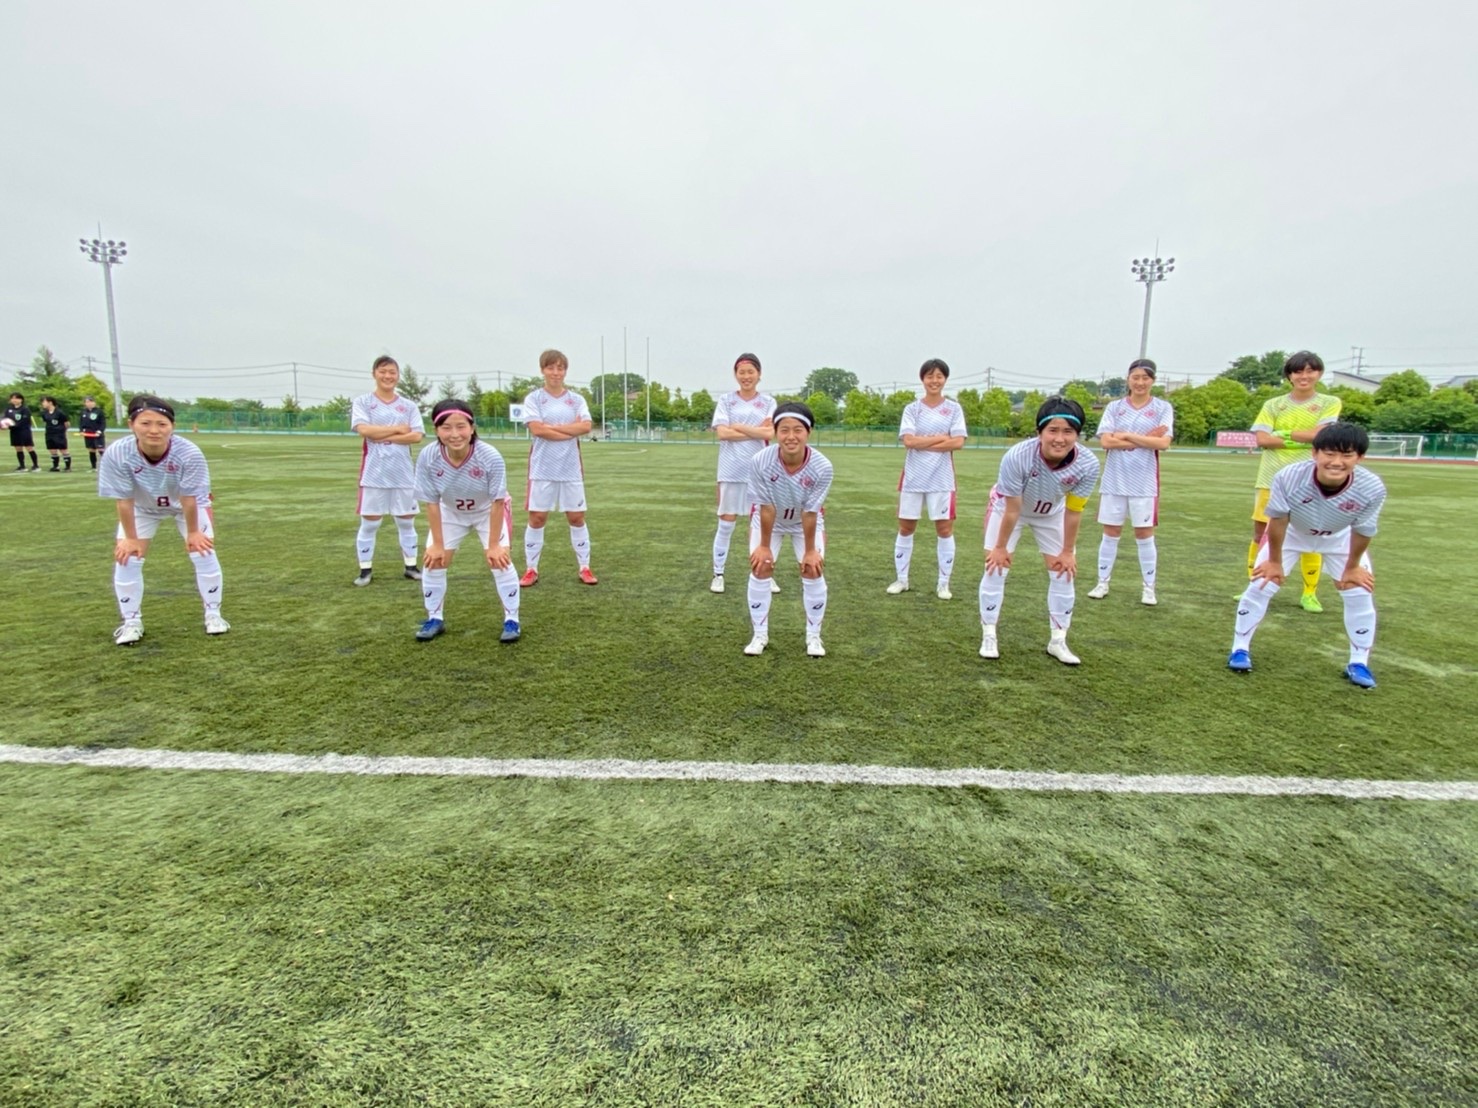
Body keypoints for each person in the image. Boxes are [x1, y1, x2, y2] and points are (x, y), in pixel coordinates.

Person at [1228, 422, 1384, 688]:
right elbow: (1277, 520)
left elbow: (1363, 529)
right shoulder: (1289, 476)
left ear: (1360, 457)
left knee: (1358, 591)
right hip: (1292, 533)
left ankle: (1359, 662)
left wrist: (1353, 567)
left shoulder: (1372, 487)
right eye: (1330, 453)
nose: (1337, 462)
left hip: (1340, 538)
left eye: (1347, 455)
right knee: (1260, 584)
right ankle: (1239, 649)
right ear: (1315, 453)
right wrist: (1275, 562)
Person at [978, 395, 1100, 665]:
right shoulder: (1018, 456)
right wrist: (999, 548)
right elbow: (1012, 509)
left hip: (1052, 513)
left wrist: (1068, 551)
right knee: (995, 567)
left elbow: (1074, 510)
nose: (1060, 438)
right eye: (1052, 430)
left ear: (1078, 435)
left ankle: (1058, 640)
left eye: (1068, 431)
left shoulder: (1089, 464)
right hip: (1010, 509)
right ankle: (989, 634)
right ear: (1039, 433)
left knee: (1063, 573)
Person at [97, 395, 228, 644]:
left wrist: (193, 533)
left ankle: (214, 614)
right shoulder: (117, 453)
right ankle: (131, 621)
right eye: (145, 423)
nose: (154, 430)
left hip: (185, 505)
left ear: (172, 427)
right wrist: (131, 539)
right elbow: (123, 500)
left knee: (203, 552)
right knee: (127, 557)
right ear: (131, 424)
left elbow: (190, 498)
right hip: (141, 507)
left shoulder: (189, 453)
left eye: (162, 424)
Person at [411, 399, 523, 643]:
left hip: (487, 511)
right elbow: (431, 503)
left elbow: (496, 502)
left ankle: (512, 620)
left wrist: (494, 545)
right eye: (446, 428)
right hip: (449, 512)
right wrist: (437, 544)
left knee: (499, 560)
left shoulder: (490, 456)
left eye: (461, 426)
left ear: (472, 427)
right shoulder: (428, 457)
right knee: (435, 560)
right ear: (436, 429)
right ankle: (435, 618)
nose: (454, 434)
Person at [1248, 351, 1341, 612]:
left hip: (1310, 479)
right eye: (1299, 371)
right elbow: (1262, 440)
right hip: (1270, 477)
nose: (1304, 376)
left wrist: (1282, 434)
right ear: (1289, 376)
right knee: (1261, 533)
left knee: (1312, 535)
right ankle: (1253, 583)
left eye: (1311, 371)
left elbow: (1320, 437)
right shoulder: (1273, 404)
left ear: (1319, 374)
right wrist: (1302, 436)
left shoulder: (1328, 402)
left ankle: (1309, 593)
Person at [742, 402, 833, 657]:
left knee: (812, 569)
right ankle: (759, 635)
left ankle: (814, 638)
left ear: (809, 432)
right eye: (784, 430)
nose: (791, 437)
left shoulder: (822, 466)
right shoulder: (760, 461)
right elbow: (766, 507)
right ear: (775, 431)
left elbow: (810, 512)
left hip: (804, 523)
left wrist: (811, 550)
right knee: (761, 566)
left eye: (797, 430)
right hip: (768, 519)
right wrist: (763, 547)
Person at [1087, 358, 1174, 605]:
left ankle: (1149, 587)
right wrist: (1144, 439)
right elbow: (1106, 442)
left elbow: (1164, 443)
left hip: (1144, 482)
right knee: (1110, 532)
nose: (1140, 382)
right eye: (1135, 377)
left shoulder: (1162, 408)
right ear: (1128, 379)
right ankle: (1102, 582)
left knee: (1144, 534)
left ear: (1153, 381)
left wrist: (1125, 435)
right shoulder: (1115, 408)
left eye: (1145, 378)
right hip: (1115, 479)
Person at [886, 358, 967, 600]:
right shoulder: (912, 409)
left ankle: (943, 584)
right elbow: (909, 441)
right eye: (930, 376)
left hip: (942, 480)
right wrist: (940, 438)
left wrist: (926, 442)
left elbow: (958, 442)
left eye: (939, 376)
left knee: (944, 529)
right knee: (906, 527)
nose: (934, 380)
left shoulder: (953, 409)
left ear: (945, 379)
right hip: (913, 478)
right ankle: (902, 580)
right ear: (923, 379)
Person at [520, 349, 597, 587]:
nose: (556, 372)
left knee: (576, 517)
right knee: (537, 518)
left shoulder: (576, 399)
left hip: (570, 468)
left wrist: (555, 428)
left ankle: (584, 567)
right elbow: (538, 430)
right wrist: (568, 428)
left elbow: (585, 427)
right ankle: (531, 569)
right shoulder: (534, 398)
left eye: (560, 368)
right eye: (551, 367)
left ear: (565, 371)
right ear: (543, 369)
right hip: (542, 469)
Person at [351, 355, 426, 586]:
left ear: (398, 375)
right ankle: (365, 570)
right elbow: (364, 430)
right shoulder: (363, 402)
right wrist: (396, 430)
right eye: (383, 371)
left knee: (406, 522)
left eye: (392, 372)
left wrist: (382, 432)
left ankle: (411, 566)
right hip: (374, 473)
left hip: (403, 474)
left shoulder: (409, 405)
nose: (388, 376)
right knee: (371, 523)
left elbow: (416, 435)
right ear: (374, 373)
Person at [709, 352, 777, 594]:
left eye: (751, 372)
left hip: (759, 471)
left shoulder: (769, 402)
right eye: (742, 372)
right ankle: (718, 573)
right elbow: (723, 434)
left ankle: (763, 573)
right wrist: (753, 431)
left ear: (759, 375)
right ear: (736, 375)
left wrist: (737, 426)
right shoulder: (726, 400)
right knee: (726, 523)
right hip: (730, 470)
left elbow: (769, 434)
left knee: (759, 525)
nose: (746, 376)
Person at [6, 392, 38, 471]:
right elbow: (5, 419)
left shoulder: (25, 409)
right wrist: (4, 424)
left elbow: (24, 420)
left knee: (29, 448)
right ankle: (22, 466)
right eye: (12, 398)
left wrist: (13, 425)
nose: (14, 400)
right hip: (14, 432)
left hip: (24, 431)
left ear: (21, 400)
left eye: (16, 398)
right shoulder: (9, 409)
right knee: (18, 448)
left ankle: (36, 465)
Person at [39, 396, 71, 472]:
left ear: (50, 402)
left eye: (44, 402)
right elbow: (45, 422)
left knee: (63, 450)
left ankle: (67, 467)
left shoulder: (59, 412)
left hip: (59, 434)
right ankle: (55, 466)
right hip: (49, 433)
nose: (43, 404)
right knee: (52, 450)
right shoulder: (44, 413)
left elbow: (67, 423)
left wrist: (62, 430)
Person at [78, 396, 108, 469]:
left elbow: (103, 423)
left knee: (101, 450)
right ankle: (94, 467)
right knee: (91, 450)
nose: (88, 403)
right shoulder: (83, 412)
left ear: (93, 402)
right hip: (88, 434)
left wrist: (99, 431)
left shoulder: (99, 411)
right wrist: (81, 430)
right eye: (86, 402)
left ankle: (108, 466)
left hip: (97, 434)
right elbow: (81, 422)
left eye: (89, 402)